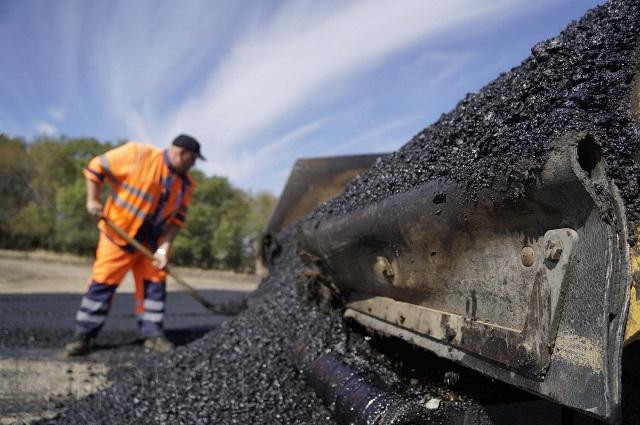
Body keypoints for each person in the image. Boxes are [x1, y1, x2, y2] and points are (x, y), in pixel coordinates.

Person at [63, 134, 204, 356]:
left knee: (154, 289)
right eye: (193, 159)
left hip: (151, 245)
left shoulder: (186, 185)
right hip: (118, 236)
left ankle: (153, 335)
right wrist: (93, 199)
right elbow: (95, 168)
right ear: (181, 154)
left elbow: (177, 221)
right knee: (102, 284)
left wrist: (163, 249)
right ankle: (83, 335)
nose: (194, 165)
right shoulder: (138, 155)